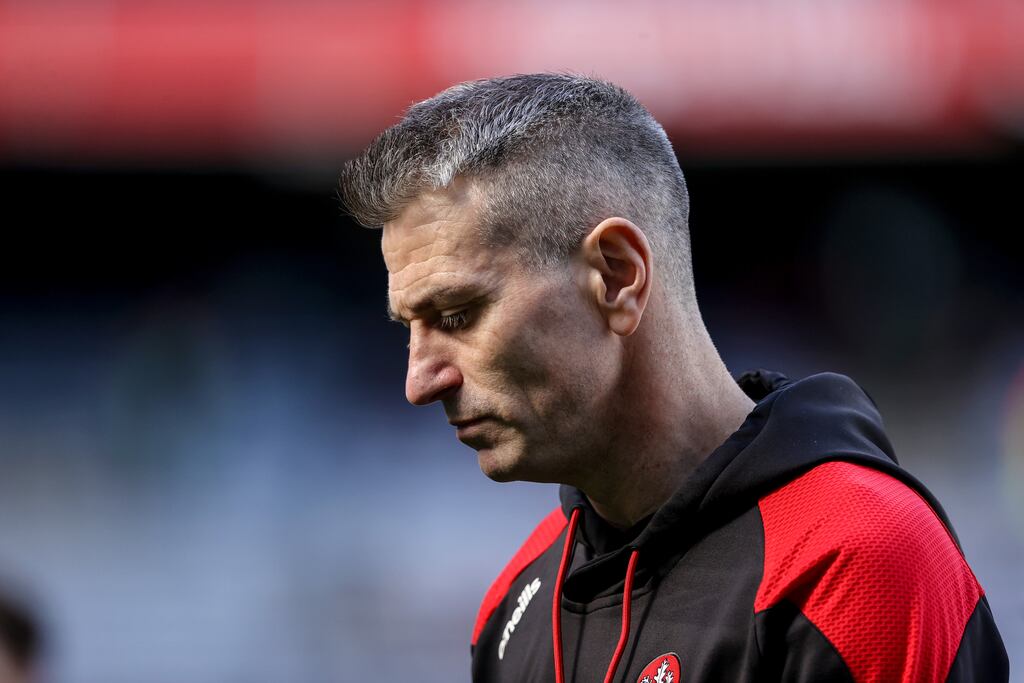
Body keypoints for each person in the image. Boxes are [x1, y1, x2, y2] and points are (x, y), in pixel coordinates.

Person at [338, 74, 1008, 682]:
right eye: (408, 328)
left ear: (616, 277)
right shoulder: (516, 605)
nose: (419, 381)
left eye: (457, 313)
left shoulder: (853, 568)